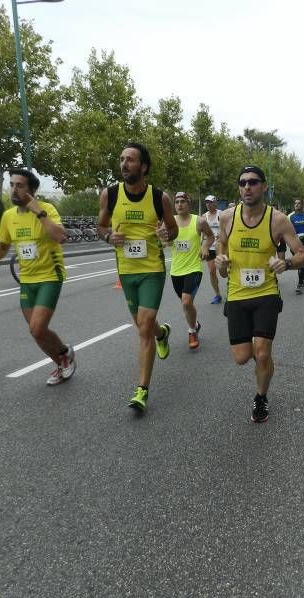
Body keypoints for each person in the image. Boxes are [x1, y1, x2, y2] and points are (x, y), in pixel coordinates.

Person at [215, 166, 304, 423]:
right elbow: (221, 246)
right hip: (236, 293)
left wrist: (287, 263)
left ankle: (261, 396)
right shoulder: (227, 217)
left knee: (263, 352)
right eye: (243, 182)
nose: (247, 187)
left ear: (264, 186)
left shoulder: (278, 219)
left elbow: (303, 254)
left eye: (253, 182)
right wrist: (221, 261)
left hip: (266, 292)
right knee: (242, 357)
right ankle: (262, 355)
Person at [97, 142, 178, 411]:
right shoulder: (109, 194)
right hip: (127, 271)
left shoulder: (159, 197)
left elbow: (173, 229)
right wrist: (109, 236)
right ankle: (162, 332)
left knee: (143, 325)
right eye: (121, 159)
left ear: (143, 166)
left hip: (152, 270)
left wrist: (167, 234)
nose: (124, 164)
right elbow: (100, 226)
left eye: (130, 160)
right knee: (144, 325)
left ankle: (142, 390)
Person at [0, 168, 75, 386]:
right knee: (36, 332)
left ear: (31, 190)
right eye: (11, 184)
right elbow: (3, 245)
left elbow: (61, 236)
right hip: (27, 279)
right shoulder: (8, 216)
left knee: (37, 328)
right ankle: (62, 360)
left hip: (50, 275)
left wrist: (39, 212)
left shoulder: (47, 209)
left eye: (19, 185)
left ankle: (65, 354)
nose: (13, 189)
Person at [169, 191, 214, 350]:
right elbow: (165, 242)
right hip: (176, 271)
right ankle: (195, 324)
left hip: (194, 268)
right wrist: (162, 237)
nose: (179, 204)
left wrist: (205, 246)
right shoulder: (170, 222)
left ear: (188, 203)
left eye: (183, 201)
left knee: (186, 302)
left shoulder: (199, 221)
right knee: (187, 304)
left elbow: (210, 237)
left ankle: (191, 331)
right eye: (177, 202)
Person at [201, 195, 224, 304]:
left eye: (210, 202)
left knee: (224, 271)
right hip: (209, 247)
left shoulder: (221, 215)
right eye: (207, 202)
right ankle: (217, 294)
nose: (208, 204)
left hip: (221, 246)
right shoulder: (204, 216)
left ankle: (232, 292)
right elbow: (201, 232)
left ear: (215, 203)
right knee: (211, 271)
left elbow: (227, 228)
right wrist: (201, 245)